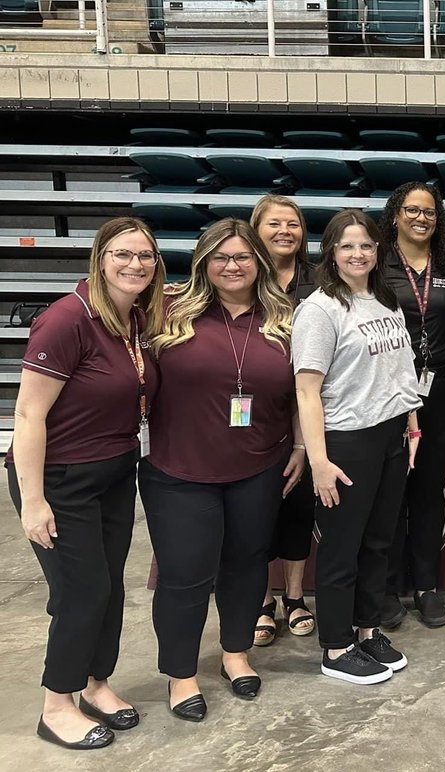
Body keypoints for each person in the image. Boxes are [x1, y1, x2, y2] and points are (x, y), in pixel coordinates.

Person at [6, 218, 164, 749]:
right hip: (59, 478)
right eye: (122, 254)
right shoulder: (66, 320)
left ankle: (96, 683)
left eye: (145, 255)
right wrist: (33, 502)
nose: (134, 264)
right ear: (100, 257)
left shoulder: (133, 317)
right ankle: (56, 704)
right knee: (82, 591)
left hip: (115, 471)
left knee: (111, 585)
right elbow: (28, 416)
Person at [141, 219, 302, 720]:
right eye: (220, 257)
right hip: (179, 471)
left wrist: (299, 443)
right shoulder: (166, 311)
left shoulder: (287, 317)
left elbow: (305, 386)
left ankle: (235, 654)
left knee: (247, 564)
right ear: (203, 262)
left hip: (258, 466)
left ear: (259, 261)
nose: (232, 266)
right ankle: (181, 674)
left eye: (242, 257)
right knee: (185, 576)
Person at [293, 209, 422, 685]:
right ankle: (335, 644)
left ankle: (367, 632)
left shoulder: (385, 301)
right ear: (331, 251)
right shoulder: (321, 309)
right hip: (346, 441)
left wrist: (410, 428)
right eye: (347, 245)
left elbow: (400, 372)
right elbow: (307, 390)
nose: (358, 253)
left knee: (379, 542)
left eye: (366, 245)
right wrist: (319, 459)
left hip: (389, 434)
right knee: (342, 548)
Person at [378, 182, 445, 629]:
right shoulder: (377, 262)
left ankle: (426, 586)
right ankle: (388, 587)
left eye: (429, 212)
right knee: (392, 490)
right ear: (395, 214)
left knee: (428, 489)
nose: (421, 218)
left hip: (441, 388)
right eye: (412, 210)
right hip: (389, 390)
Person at [250, 194, 317, 646]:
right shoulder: (240, 276)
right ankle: (258, 601)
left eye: (292, 224)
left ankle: (294, 596)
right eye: (274, 223)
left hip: (307, 408)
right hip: (253, 410)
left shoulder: (317, 282)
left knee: (298, 506)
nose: (284, 231)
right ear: (256, 229)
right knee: (251, 512)